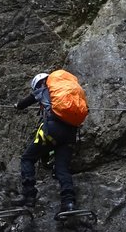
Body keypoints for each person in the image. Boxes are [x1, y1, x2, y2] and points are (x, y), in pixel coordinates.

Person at [15, 71, 79, 213]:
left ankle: (29, 196)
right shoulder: (66, 92)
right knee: (62, 169)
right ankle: (68, 203)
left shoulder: (44, 89)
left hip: (53, 128)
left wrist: (17, 106)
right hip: (70, 132)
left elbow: (26, 102)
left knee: (27, 158)